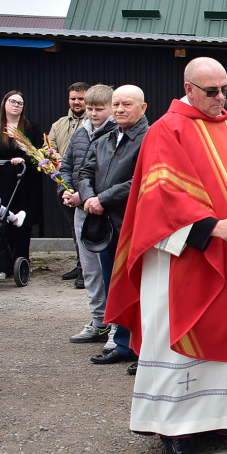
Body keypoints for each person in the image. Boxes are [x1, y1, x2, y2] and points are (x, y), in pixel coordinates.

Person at [104, 57, 227, 454]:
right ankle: (175, 429)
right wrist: (208, 228)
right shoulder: (166, 131)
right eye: (212, 91)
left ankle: (226, 419)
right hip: (184, 260)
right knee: (181, 343)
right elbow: (157, 199)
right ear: (189, 88)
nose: (221, 98)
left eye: (225, 89)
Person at [77, 85, 150, 368]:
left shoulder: (150, 139)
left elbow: (140, 181)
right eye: (116, 104)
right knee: (114, 286)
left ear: (143, 108)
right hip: (105, 225)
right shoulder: (104, 138)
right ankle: (122, 343)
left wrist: (102, 199)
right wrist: (89, 198)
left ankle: (143, 349)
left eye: (126, 104)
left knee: (139, 288)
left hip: (135, 226)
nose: (119, 109)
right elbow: (84, 172)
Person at [62, 84, 117, 344]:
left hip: (104, 209)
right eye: (90, 109)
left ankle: (115, 324)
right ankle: (98, 320)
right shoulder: (80, 133)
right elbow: (67, 165)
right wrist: (67, 190)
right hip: (81, 207)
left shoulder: (116, 133)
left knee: (109, 268)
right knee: (90, 270)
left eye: (99, 109)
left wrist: (86, 197)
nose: (93, 114)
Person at [0, 90, 43, 265]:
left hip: (22, 183)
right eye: (12, 101)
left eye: (20, 103)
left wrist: (24, 158)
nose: (16, 105)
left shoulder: (30, 128)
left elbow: (38, 153)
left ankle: (21, 261)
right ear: (4, 103)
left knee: (21, 224)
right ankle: (1, 262)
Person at [50, 82, 89, 285]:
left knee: (84, 226)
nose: (76, 102)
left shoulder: (91, 123)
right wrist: (59, 161)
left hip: (83, 183)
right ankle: (79, 263)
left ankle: (86, 268)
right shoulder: (58, 124)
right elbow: (50, 147)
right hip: (64, 182)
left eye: (80, 99)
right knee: (73, 227)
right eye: (73, 98)